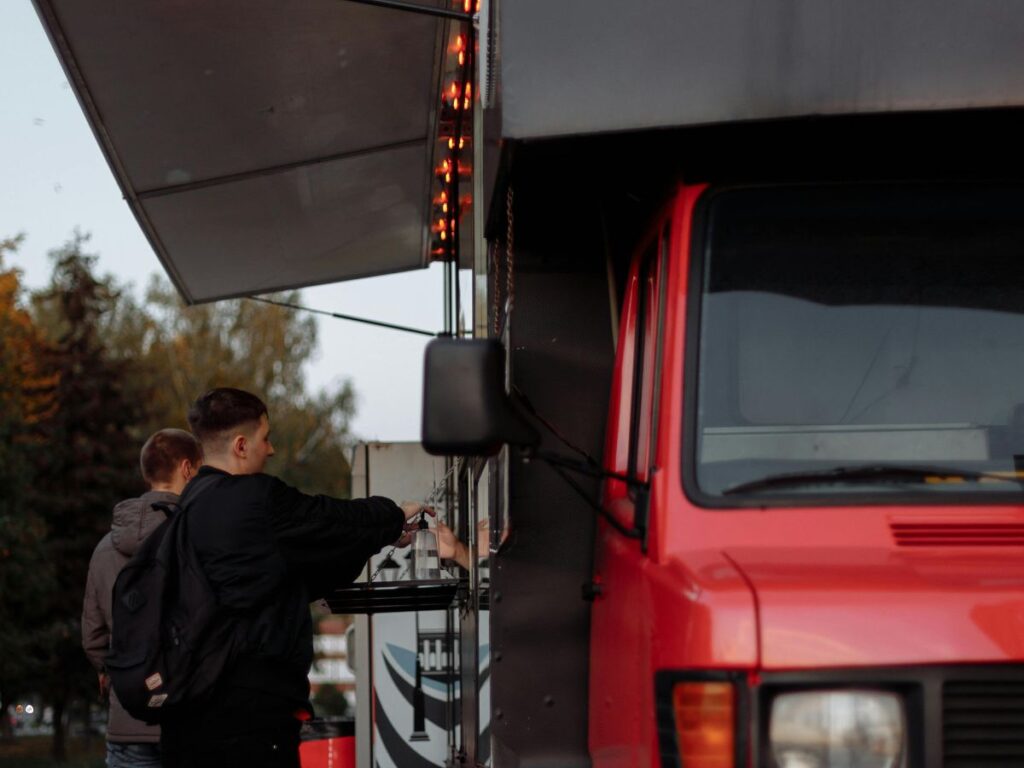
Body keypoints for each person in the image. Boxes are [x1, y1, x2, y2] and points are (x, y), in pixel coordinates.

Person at [159, 388, 425, 768]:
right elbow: (328, 520)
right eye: (264, 439)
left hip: (187, 718)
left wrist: (380, 537)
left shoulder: (188, 507)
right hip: (249, 719)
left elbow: (306, 567)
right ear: (240, 445)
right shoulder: (256, 499)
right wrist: (394, 514)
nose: (270, 450)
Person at [82, 428, 203, 768]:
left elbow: (92, 636)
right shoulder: (199, 538)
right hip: (190, 717)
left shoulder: (105, 548)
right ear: (187, 469)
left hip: (128, 718)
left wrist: (114, 672)